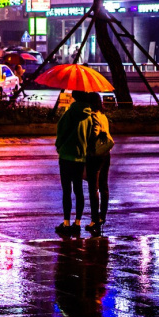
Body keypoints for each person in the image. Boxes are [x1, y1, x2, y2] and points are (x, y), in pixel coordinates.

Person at [54, 90, 91, 235]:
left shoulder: (69, 114)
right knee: (79, 190)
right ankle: (78, 222)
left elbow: (60, 131)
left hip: (66, 157)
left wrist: (59, 147)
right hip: (80, 157)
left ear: (74, 97)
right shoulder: (89, 116)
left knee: (67, 191)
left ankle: (66, 222)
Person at [85, 91, 112, 232]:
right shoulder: (103, 116)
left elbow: (94, 134)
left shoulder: (94, 116)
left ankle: (94, 220)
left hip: (95, 154)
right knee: (103, 186)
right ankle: (102, 217)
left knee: (93, 188)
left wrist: (88, 145)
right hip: (106, 153)